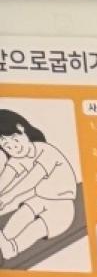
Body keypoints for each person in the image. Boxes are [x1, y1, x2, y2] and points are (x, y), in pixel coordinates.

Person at [0, 110, 78, 264]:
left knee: (37, 228)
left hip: (63, 206)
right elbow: (5, 179)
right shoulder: (17, 158)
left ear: (21, 128)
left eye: (14, 140)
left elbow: (31, 180)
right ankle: (4, 238)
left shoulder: (45, 151)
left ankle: (12, 249)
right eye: (7, 146)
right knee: (23, 213)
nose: (13, 148)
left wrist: (7, 198)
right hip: (40, 199)